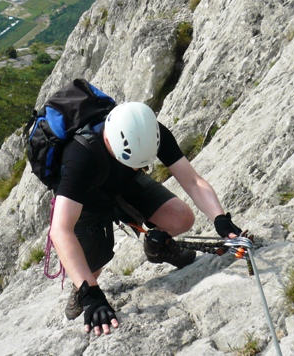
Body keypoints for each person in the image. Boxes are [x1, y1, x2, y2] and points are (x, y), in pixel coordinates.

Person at [49, 101, 244, 337]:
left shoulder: (150, 132)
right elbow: (60, 230)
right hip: (86, 199)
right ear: (110, 142)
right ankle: (79, 287)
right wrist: (91, 293)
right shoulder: (80, 156)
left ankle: (157, 247)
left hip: (122, 184)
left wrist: (220, 218)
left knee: (181, 218)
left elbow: (192, 180)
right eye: (129, 162)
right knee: (92, 269)